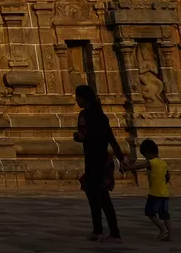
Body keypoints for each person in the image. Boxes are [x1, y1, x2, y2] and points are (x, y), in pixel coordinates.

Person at [73, 83, 128, 242]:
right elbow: (112, 139)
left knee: (94, 196)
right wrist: (121, 157)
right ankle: (113, 231)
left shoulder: (84, 115)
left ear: (83, 98)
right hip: (104, 159)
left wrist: (76, 136)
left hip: (93, 159)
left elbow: (83, 135)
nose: (76, 100)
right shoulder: (102, 116)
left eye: (77, 97)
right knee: (103, 197)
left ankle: (99, 230)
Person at [140, 138, 171, 241]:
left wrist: (128, 167)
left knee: (149, 212)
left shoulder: (151, 162)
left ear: (148, 153)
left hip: (154, 193)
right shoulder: (163, 163)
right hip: (164, 193)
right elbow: (167, 177)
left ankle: (162, 228)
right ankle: (169, 235)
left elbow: (138, 166)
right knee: (165, 215)